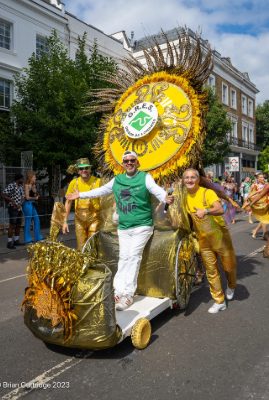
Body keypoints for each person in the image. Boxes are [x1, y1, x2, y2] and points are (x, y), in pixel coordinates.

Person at [66, 150, 174, 311]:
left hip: (142, 225)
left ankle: (128, 294)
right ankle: (118, 291)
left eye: (132, 161)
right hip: (124, 227)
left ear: (137, 163)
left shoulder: (144, 177)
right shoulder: (118, 180)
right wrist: (80, 195)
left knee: (133, 257)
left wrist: (164, 197)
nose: (129, 163)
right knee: (123, 257)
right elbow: (101, 191)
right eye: (126, 161)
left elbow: (155, 189)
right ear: (123, 164)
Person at [182, 168, 237, 314]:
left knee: (229, 267)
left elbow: (220, 209)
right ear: (183, 180)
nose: (189, 180)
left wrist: (205, 211)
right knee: (211, 271)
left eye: (193, 177)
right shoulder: (183, 196)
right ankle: (219, 301)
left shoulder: (207, 192)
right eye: (186, 177)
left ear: (198, 179)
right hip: (204, 239)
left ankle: (231, 285)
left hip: (220, 237)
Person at [63, 157, 101, 250]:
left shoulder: (98, 182)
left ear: (90, 169)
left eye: (86, 168)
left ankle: (92, 264)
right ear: (78, 171)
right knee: (81, 246)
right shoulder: (74, 183)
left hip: (94, 218)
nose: (84, 170)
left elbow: (105, 201)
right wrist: (64, 221)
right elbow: (68, 202)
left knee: (92, 245)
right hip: (79, 219)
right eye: (81, 168)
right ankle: (83, 264)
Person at [2, 174, 24, 249]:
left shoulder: (20, 187)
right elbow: (3, 194)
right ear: (18, 179)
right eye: (22, 179)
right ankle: (9, 242)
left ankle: (16, 240)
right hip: (13, 208)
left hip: (19, 208)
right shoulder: (12, 185)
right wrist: (11, 201)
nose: (22, 180)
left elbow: (22, 196)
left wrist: (20, 203)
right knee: (12, 225)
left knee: (18, 224)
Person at [22, 171, 43, 244]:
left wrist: (34, 189)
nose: (35, 178)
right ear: (30, 177)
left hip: (32, 204)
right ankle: (27, 240)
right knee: (28, 221)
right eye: (34, 177)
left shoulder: (33, 185)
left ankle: (38, 237)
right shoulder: (26, 185)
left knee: (37, 220)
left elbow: (35, 193)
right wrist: (35, 198)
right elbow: (27, 197)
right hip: (27, 204)